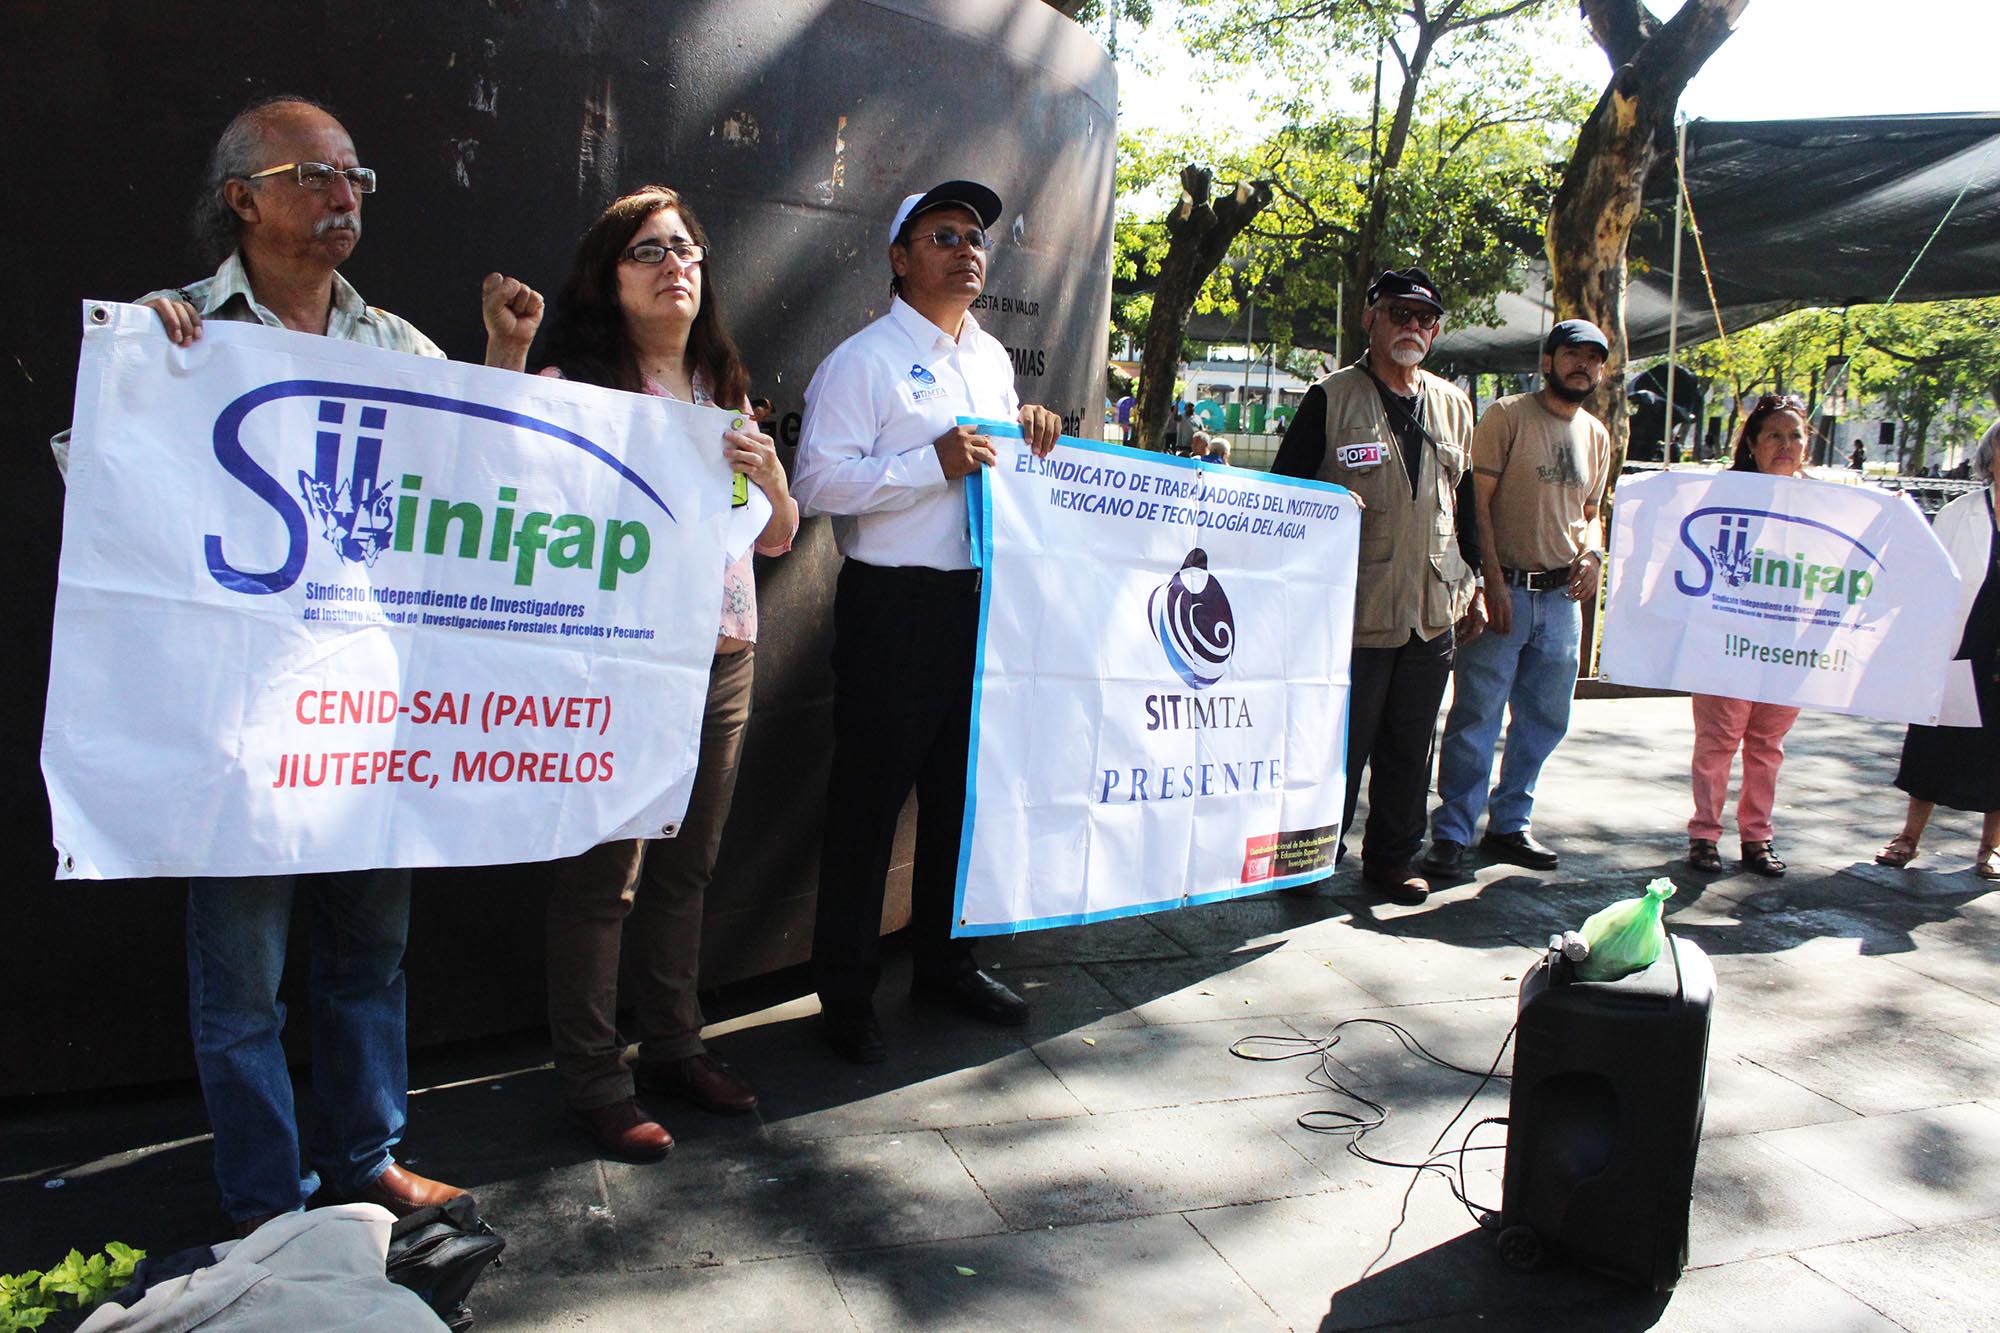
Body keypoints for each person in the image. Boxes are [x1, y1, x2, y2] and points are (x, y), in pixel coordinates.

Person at [67, 95, 537, 1235]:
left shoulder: (395, 347)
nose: (347, 196)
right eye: (318, 176)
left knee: (367, 953)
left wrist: (505, 359)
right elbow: (100, 493)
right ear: (243, 199)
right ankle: (269, 1202)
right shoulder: (171, 329)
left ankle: (367, 1157)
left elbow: (485, 487)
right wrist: (149, 384)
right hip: (232, 720)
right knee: (240, 978)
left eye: (357, 178)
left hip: (366, 709)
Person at [485, 186, 797, 1159]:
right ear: (608, 276)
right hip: (620, 663)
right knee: (603, 878)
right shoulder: (578, 380)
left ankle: (673, 1047)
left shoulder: (721, 383)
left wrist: (773, 477)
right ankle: (591, 1078)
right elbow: (496, 485)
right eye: (649, 251)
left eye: (687, 249)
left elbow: (777, 537)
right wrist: (503, 359)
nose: (676, 266)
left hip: (723, 656)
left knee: (686, 869)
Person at [793, 180, 1060, 1063]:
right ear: (901, 258)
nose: (966, 248)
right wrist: (926, 464)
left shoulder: (989, 358)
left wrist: (1030, 432)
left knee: (960, 799)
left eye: (976, 236)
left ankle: (947, 964)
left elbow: (997, 463)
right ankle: (846, 994)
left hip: (975, 604)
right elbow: (815, 485)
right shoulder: (861, 361)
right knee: (869, 807)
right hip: (894, 607)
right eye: (942, 235)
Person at [1271, 267, 1483, 905]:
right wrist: (1328, 504)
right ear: (1370, 318)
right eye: (1398, 313)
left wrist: (1472, 578)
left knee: (1411, 744)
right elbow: (1285, 493)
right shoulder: (1331, 397)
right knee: (1337, 743)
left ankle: (1392, 859)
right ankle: (1310, 858)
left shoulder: (1453, 404)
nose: (1411, 327)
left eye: (1423, 318)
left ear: (1436, 329)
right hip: (1353, 607)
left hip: (1432, 603)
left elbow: (1466, 500)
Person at [1425, 320, 1611, 880]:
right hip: (1505, 592)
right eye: (1572, 354)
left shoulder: (1597, 435)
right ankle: (1453, 831)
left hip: (1561, 602)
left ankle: (1510, 824)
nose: (1583, 365)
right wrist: (1489, 580)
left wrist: (1595, 555)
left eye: (1593, 359)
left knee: (1544, 720)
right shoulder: (1507, 416)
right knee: (1476, 715)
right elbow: (1475, 503)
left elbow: (1591, 511)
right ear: (1548, 361)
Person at [1686, 395, 1811, 877]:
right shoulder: (1726, 494)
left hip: (1789, 647)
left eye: (1795, 435)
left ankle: (1757, 837)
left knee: (1767, 745)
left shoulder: (1827, 503)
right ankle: (1704, 834)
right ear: (1753, 445)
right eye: (1774, 435)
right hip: (1728, 641)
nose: (1786, 444)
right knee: (1718, 741)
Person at [1875, 425, 2000, 879]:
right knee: (1932, 746)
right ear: (1990, 460)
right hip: (1959, 649)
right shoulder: (1959, 514)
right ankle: (1908, 837)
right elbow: (1927, 583)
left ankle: (1991, 847)